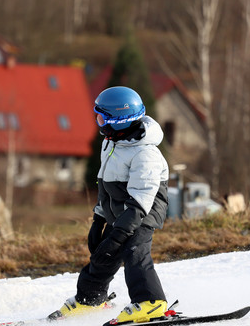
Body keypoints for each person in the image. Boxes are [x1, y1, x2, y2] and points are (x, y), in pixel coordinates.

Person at [55, 86, 170, 324]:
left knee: (134, 252)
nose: (97, 122)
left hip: (142, 211)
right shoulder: (111, 142)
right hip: (120, 208)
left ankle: (151, 303)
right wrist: (99, 219)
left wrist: (120, 232)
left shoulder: (144, 153)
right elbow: (105, 185)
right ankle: (90, 299)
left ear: (118, 120)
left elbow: (141, 200)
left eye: (101, 117)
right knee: (103, 254)